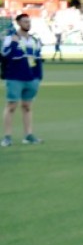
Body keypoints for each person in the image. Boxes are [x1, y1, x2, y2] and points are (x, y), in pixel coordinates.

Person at [1, 13, 44, 146]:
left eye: (29, 22)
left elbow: (38, 60)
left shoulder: (34, 40)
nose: (28, 24)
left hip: (31, 78)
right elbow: (4, 56)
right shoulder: (10, 39)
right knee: (11, 106)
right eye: (25, 22)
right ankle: (7, 136)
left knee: (27, 106)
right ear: (19, 23)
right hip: (15, 77)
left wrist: (38, 77)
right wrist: (13, 43)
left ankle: (28, 135)